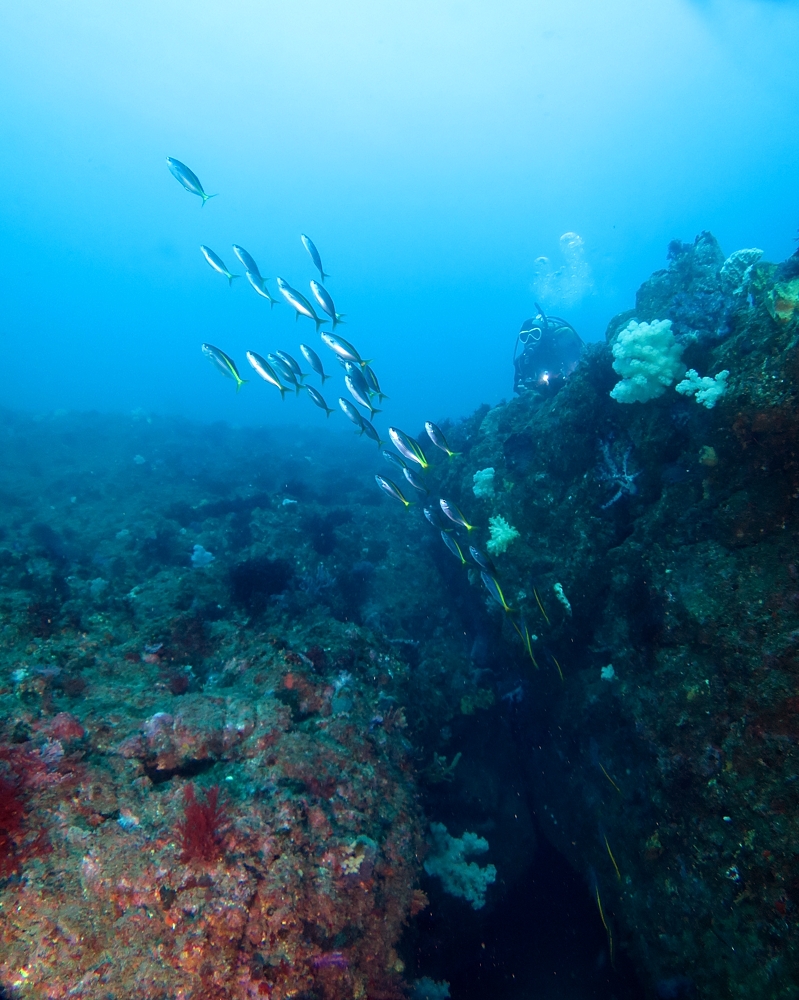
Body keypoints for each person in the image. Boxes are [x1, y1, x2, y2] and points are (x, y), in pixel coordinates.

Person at [513, 304, 584, 396]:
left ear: (542, 333)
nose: (530, 339)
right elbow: (517, 386)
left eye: (535, 334)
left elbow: (578, 359)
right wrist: (525, 388)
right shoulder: (521, 362)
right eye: (524, 337)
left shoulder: (559, 342)